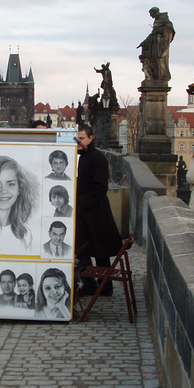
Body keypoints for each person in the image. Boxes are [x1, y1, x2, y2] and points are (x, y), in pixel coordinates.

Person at [75, 125, 122, 297]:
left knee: (100, 252)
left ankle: (104, 287)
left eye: (81, 138)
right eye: (77, 139)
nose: (79, 142)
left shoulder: (97, 158)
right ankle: (91, 284)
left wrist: (81, 202)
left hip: (96, 213)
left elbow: (100, 188)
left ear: (90, 138)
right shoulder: (84, 157)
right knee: (83, 250)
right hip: (86, 211)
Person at [137, 6, 175, 82]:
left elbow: (164, 30)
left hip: (160, 44)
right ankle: (157, 75)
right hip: (156, 43)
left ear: (155, 12)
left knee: (160, 58)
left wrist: (159, 34)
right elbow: (154, 32)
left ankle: (162, 75)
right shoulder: (159, 19)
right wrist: (145, 42)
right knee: (156, 60)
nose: (151, 16)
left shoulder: (162, 19)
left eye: (151, 14)